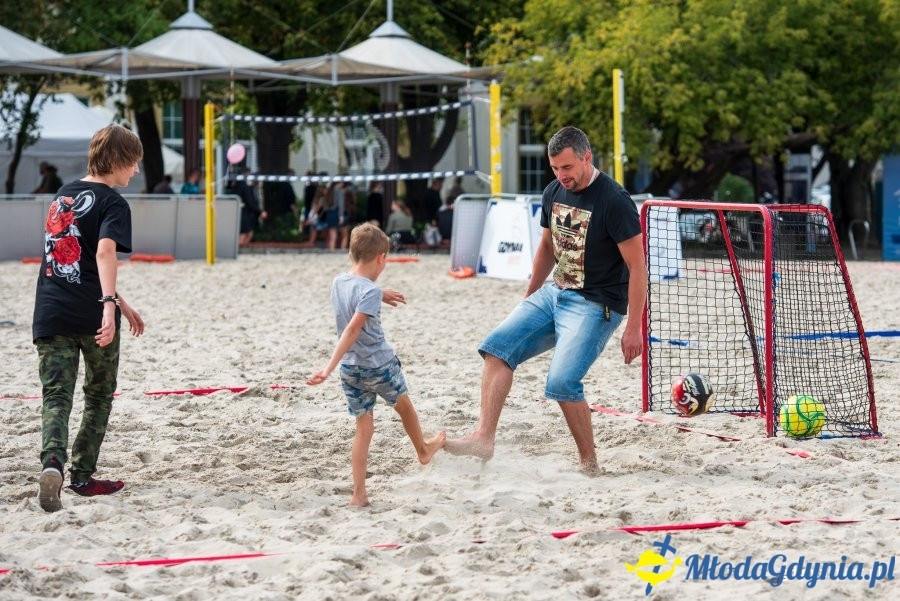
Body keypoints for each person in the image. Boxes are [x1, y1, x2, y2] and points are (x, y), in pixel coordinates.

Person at [445, 126, 647, 472]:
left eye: (566, 168)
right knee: (496, 349)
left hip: (596, 305)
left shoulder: (614, 200)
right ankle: (484, 437)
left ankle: (589, 463)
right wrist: (529, 296)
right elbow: (545, 248)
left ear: (587, 157)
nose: (560, 175)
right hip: (554, 293)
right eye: (554, 168)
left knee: (561, 383)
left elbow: (638, 265)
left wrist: (634, 327)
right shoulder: (554, 190)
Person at [34, 124, 146, 513]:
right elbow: (101, 255)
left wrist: (123, 303)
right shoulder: (113, 202)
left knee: (56, 396)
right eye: (133, 163)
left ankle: (52, 464)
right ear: (116, 160)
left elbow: (72, 260)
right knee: (98, 394)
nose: (135, 171)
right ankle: (82, 475)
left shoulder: (62, 195)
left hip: (49, 312)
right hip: (92, 314)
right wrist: (109, 306)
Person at [307, 223, 446, 506]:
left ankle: (359, 494)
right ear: (382, 258)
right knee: (404, 407)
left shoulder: (338, 281)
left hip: (351, 371)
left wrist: (379, 292)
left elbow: (358, 290)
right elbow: (352, 330)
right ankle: (423, 448)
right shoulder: (369, 291)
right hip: (379, 366)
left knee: (363, 429)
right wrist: (327, 366)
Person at [230, 168, 267, 246]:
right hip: (243, 213)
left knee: (247, 233)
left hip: (239, 212)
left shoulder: (237, 185)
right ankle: (238, 249)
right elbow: (250, 202)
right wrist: (260, 212)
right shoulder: (244, 187)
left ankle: (239, 249)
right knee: (245, 234)